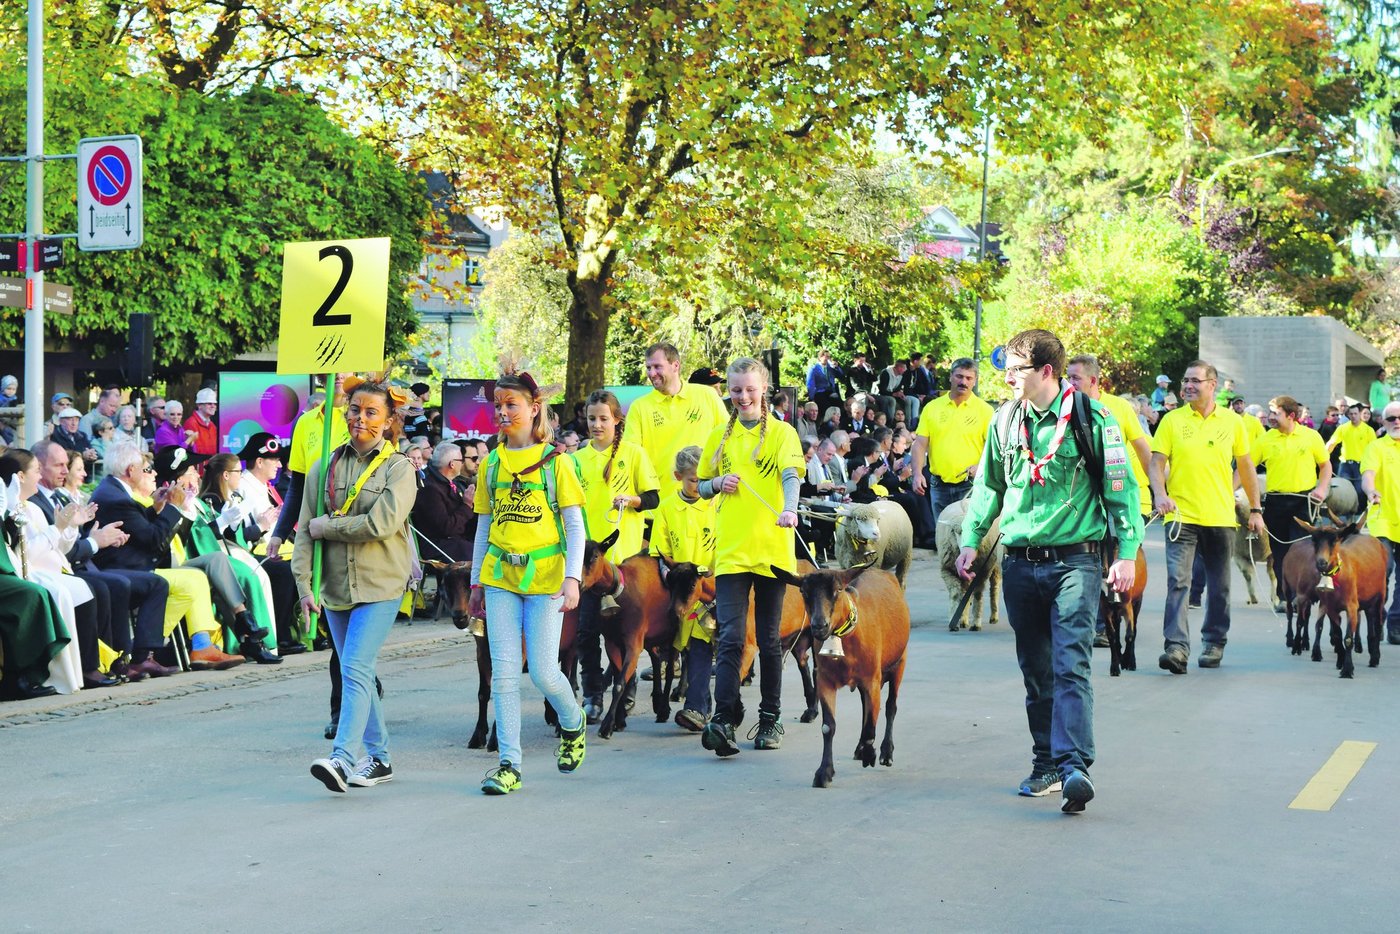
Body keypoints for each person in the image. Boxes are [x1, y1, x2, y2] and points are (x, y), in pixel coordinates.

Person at [957, 328, 1144, 814]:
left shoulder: (1092, 417)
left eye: (1016, 369)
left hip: (1075, 562)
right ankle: (1045, 762)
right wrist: (970, 541)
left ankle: (1074, 766)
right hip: (1020, 562)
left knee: (1070, 665)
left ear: (1045, 371)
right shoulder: (1003, 421)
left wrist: (1125, 552)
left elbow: (1120, 488)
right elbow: (989, 488)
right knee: (1036, 671)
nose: (1007, 377)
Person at [466, 368, 588, 795]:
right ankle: (509, 765)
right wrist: (477, 581)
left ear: (534, 408)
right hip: (500, 577)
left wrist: (572, 579)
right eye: (497, 406)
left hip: (547, 580)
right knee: (502, 673)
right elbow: (484, 526)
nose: (502, 412)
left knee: (542, 671)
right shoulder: (492, 463)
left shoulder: (559, 463)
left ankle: (573, 723)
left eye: (510, 404)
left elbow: (575, 527)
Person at [296, 380, 417, 793]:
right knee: (358, 671)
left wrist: (328, 525)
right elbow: (303, 533)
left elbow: (381, 524)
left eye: (371, 413)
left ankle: (344, 758)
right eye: (354, 409)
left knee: (355, 667)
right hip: (333, 586)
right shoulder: (323, 467)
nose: (359, 419)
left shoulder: (399, 469)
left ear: (388, 421)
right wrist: (303, 587)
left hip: (381, 583)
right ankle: (380, 758)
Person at [696, 356, 804, 757]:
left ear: (764, 390)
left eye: (750, 389)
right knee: (729, 637)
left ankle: (770, 717)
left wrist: (789, 509)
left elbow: (791, 475)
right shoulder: (717, 437)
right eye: (736, 389)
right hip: (731, 552)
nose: (743, 396)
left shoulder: (781, 433)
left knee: (769, 638)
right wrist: (716, 483)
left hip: (772, 551)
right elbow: (698, 486)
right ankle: (723, 718)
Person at [1149, 360, 1265, 673]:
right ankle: (1176, 648)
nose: (1187, 385)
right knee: (1178, 582)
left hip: (1220, 518)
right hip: (1180, 517)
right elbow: (1157, 462)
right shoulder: (1172, 421)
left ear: (1211, 385)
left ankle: (1214, 641)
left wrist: (1255, 510)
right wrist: (1160, 494)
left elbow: (1246, 468)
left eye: (1195, 381)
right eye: (1185, 380)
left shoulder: (1233, 422)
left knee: (1220, 586)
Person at [90, 445, 248, 671]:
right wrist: (172, 507)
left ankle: (198, 646)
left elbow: (139, 528)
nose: (153, 474)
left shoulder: (113, 490)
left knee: (195, 578)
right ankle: (143, 652)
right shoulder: (116, 496)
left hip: (132, 563)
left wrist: (155, 508)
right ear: (131, 470)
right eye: (147, 470)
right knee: (192, 580)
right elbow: (153, 540)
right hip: (124, 568)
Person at [572, 389, 660, 722]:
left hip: (625, 564)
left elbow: (654, 498)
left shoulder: (634, 454)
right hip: (588, 563)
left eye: (603, 419)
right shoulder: (576, 459)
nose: (596, 425)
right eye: (591, 418)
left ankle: (625, 690)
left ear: (616, 420)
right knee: (586, 632)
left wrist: (633, 500)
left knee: (626, 634)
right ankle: (593, 694)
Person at [196, 453, 291, 664]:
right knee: (252, 577)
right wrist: (224, 522)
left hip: (232, 552)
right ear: (226, 475)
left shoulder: (232, 498)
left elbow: (235, 537)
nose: (241, 475)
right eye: (238, 472)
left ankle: (259, 638)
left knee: (265, 574)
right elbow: (202, 536)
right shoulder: (208, 500)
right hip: (217, 555)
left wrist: (233, 524)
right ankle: (253, 635)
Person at [651, 445, 718, 731]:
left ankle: (696, 708)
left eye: (704, 479)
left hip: (709, 591)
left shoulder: (717, 504)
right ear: (679, 476)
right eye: (693, 480)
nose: (699, 485)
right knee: (677, 646)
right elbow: (660, 552)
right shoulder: (666, 507)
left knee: (701, 645)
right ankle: (703, 702)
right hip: (678, 590)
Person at [1251, 396, 1331, 609]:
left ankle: (1300, 595)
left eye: (1275, 413)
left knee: (1300, 549)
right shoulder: (1265, 439)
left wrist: (1321, 489)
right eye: (1270, 413)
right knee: (1279, 553)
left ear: (1291, 415)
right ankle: (1285, 597)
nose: (1270, 417)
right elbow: (1246, 468)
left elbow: (1325, 466)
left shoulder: (1311, 437)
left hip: (1302, 502)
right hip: (1275, 503)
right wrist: (1229, 490)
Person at [623, 343, 729, 502]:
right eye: (648, 367)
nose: (652, 373)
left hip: (707, 505)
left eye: (657, 367)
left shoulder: (707, 395)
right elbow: (631, 456)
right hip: (660, 506)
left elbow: (728, 439)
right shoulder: (639, 407)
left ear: (675, 365)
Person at [911, 357, 993, 539]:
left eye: (969, 378)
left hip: (970, 485)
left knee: (969, 539)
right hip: (938, 484)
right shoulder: (932, 407)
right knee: (944, 539)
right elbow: (919, 444)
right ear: (950, 377)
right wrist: (917, 473)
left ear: (975, 380)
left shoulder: (985, 410)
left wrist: (980, 467)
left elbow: (993, 447)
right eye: (959, 376)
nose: (963, 382)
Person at [1362, 401, 1400, 645]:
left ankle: (1395, 625)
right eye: (1391, 418)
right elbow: (1368, 476)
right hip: (1382, 521)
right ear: (1383, 423)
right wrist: (1370, 490)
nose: (1397, 422)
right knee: (1381, 575)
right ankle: (1376, 616)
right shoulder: (1376, 447)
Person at [1327, 403, 1373, 503]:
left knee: (1359, 491)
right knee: (1342, 490)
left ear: (1360, 414)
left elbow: (1374, 449)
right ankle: (1344, 514)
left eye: (1355, 413)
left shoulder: (1368, 430)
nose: (1353, 416)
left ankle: (1358, 514)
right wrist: (1324, 456)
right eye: (1351, 414)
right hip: (1345, 464)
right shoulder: (1343, 428)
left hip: (1361, 465)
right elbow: (1332, 443)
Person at [805, 348, 844, 417]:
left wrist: (837, 367)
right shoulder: (814, 369)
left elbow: (841, 375)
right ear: (820, 357)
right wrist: (811, 398)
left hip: (831, 392)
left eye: (829, 357)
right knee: (826, 407)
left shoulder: (831, 368)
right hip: (820, 392)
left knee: (840, 406)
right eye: (826, 356)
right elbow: (810, 384)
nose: (827, 358)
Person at [185, 388, 219, 455]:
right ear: (199, 405)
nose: (213, 406)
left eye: (215, 404)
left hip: (211, 464)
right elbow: (194, 451)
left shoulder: (212, 426)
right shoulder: (191, 423)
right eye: (209, 403)